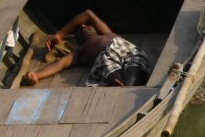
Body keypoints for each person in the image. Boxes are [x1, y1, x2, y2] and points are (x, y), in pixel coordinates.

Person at [21, 9, 151, 87]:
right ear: (77, 39)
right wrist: (36, 75)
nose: (83, 28)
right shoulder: (79, 52)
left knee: (134, 63)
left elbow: (88, 13)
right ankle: (122, 85)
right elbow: (59, 65)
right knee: (107, 65)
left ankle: (132, 81)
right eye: (79, 29)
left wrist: (60, 34)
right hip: (106, 58)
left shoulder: (107, 32)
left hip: (126, 49)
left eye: (85, 26)